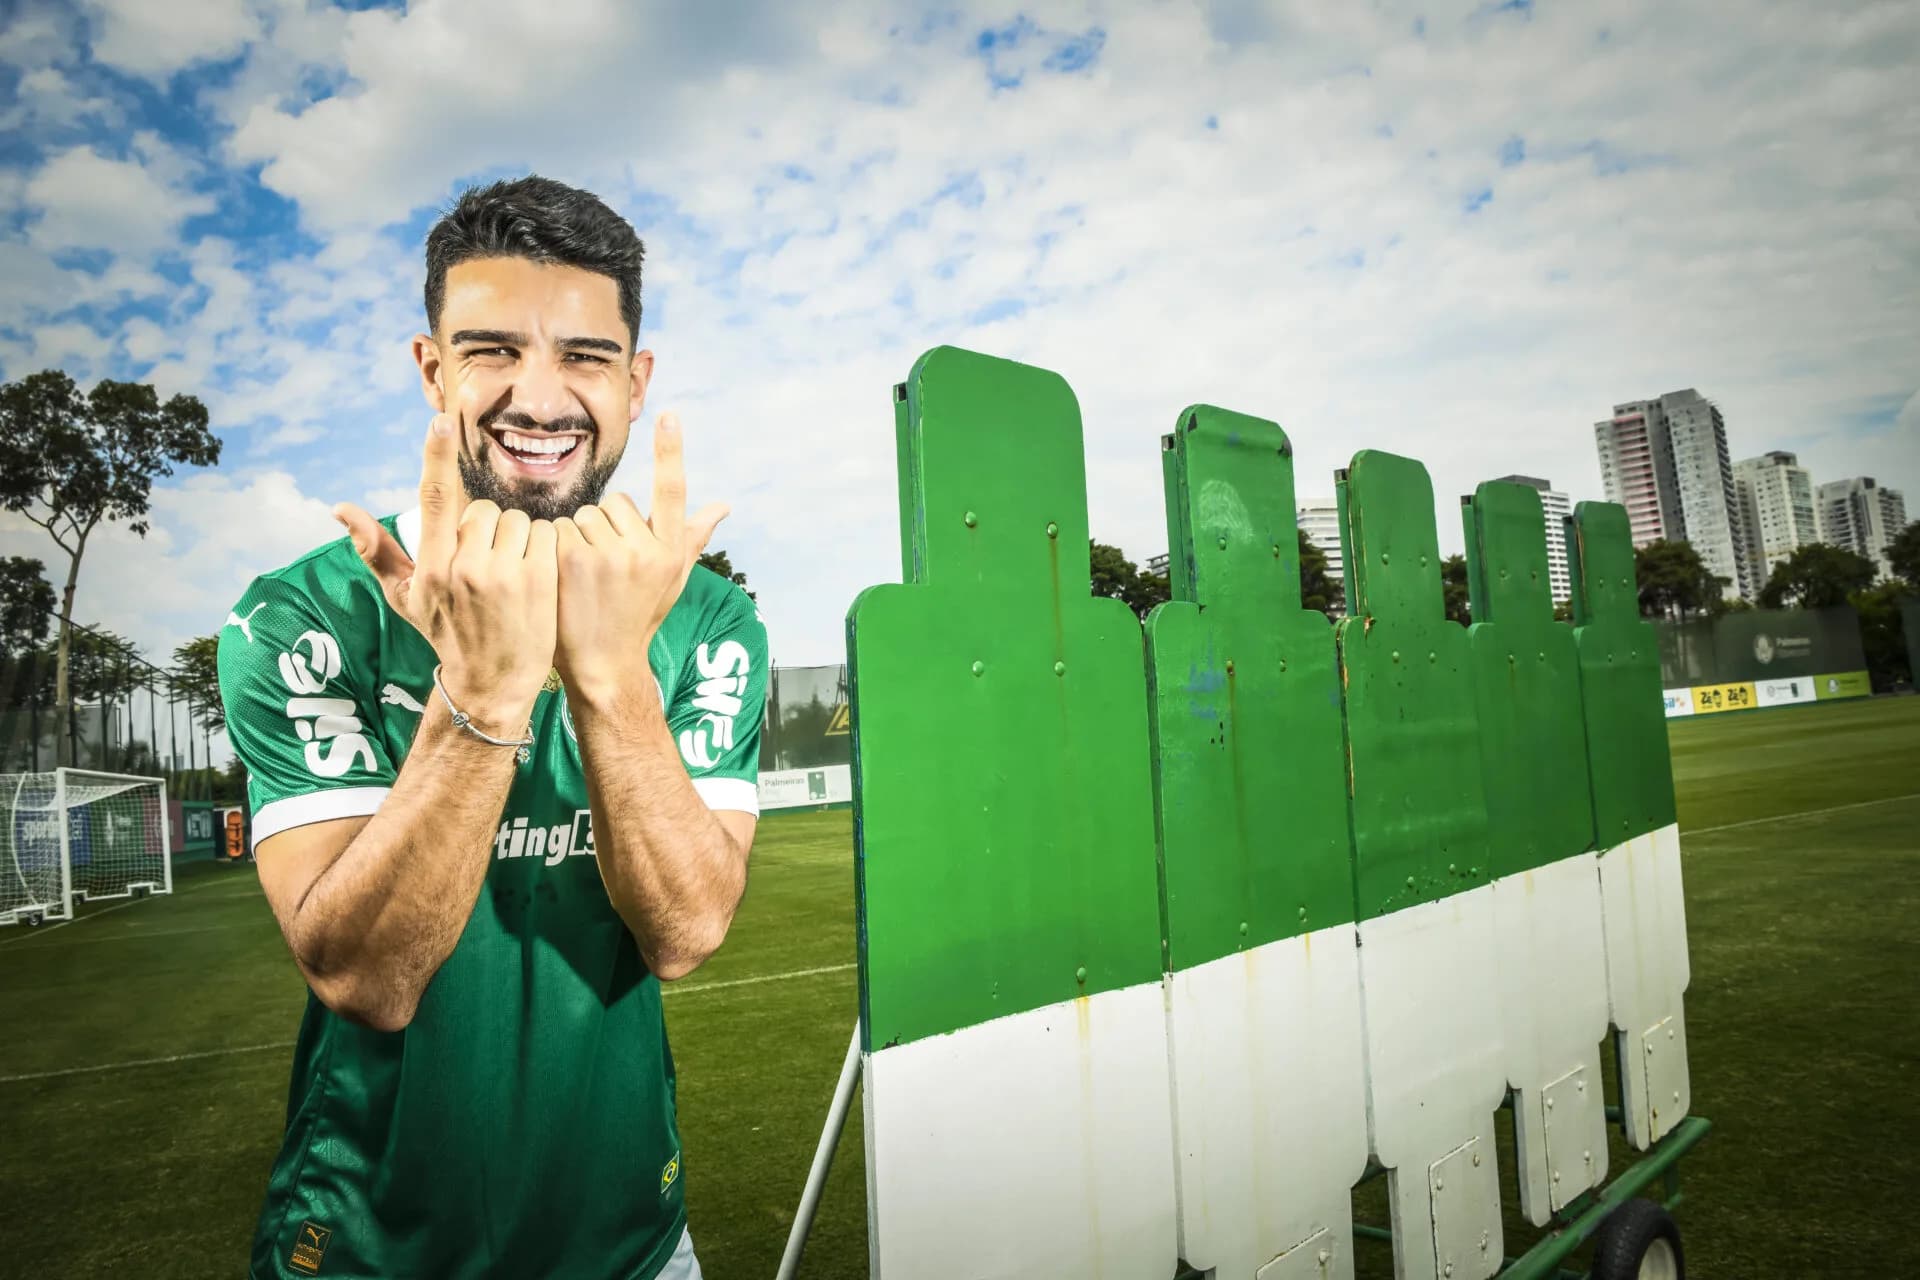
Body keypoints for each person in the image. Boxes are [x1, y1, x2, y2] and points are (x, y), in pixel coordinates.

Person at [216, 175, 765, 1280]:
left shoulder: (708, 615)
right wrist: (487, 695)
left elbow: (687, 929)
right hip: (368, 1252)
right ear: (432, 368)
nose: (541, 396)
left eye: (585, 356)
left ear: (634, 379)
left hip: (635, 1246)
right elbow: (366, 976)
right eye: (492, 349)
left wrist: (610, 676)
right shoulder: (305, 613)